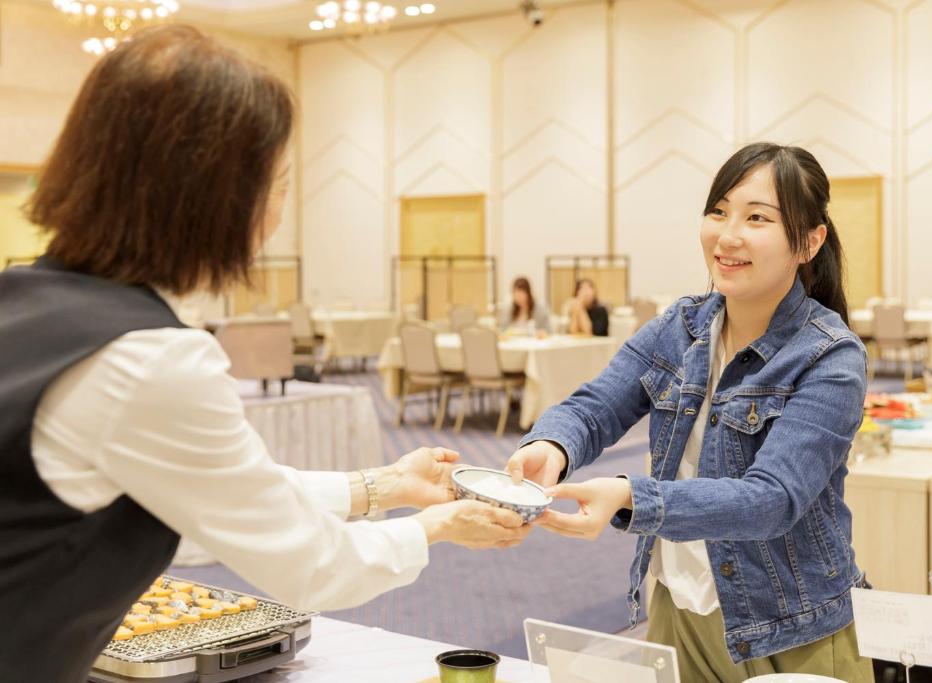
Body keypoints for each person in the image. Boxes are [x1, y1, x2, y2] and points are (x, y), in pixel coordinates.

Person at [0, 25, 528, 682]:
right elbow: (314, 565)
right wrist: (438, 524)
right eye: (278, 184)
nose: (277, 214)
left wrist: (382, 487)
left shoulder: (23, 298)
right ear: (213, 197)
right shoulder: (150, 360)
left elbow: (225, 485)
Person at [507, 143, 873, 681]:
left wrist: (634, 496)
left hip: (793, 628)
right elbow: (595, 407)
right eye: (719, 211)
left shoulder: (830, 356)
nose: (728, 236)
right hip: (679, 609)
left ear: (809, 241)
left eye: (757, 218)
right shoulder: (682, 326)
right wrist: (551, 446)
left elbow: (771, 499)